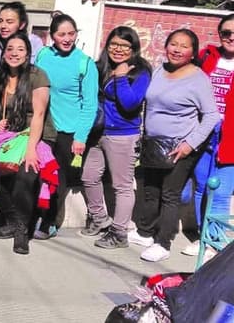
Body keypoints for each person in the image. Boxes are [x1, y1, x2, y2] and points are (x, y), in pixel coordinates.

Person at [130, 29, 220, 262]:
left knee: (170, 194)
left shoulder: (198, 79)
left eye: (184, 46)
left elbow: (211, 116)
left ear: (192, 52)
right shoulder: (160, 69)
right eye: (173, 44)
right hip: (154, 143)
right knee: (150, 190)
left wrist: (189, 145)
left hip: (180, 146)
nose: (177, 49)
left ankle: (163, 242)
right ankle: (145, 232)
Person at [0, 31, 52, 255]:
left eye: (20, 49)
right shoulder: (0, 75)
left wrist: (31, 150)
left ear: (28, 53)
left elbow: (39, 114)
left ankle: (22, 231)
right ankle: (11, 219)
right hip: (9, 136)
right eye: (10, 49)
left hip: (34, 136)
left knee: (25, 176)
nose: (14, 53)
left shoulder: (37, 75)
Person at [80, 26, 151, 248]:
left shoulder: (140, 71)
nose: (118, 49)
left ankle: (119, 233)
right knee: (89, 176)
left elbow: (130, 104)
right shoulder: (100, 66)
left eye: (124, 45)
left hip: (122, 136)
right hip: (98, 133)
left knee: (122, 186)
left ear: (133, 48)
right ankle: (100, 218)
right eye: (114, 44)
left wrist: (120, 78)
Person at [34, 13, 98, 239]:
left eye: (71, 33)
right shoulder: (42, 55)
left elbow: (90, 104)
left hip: (67, 132)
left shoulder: (85, 63)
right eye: (61, 34)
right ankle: (31, 215)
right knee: (35, 174)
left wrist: (80, 137)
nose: (67, 38)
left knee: (56, 179)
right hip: (42, 125)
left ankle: (48, 221)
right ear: (52, 36)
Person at [186, 14, 234, 260]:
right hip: (204, 135)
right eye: (226, 32)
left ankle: (215, 243)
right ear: (219, 34)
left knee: (221, 192)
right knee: (201, 188)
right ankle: (201, 236)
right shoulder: (207, 57)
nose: (231, 37)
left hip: (231, 141)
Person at [0, 1, 44, 66]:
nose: (3, 26)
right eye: (0, 21)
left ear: (22, 25)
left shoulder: (34, 42)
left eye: (9, 22)